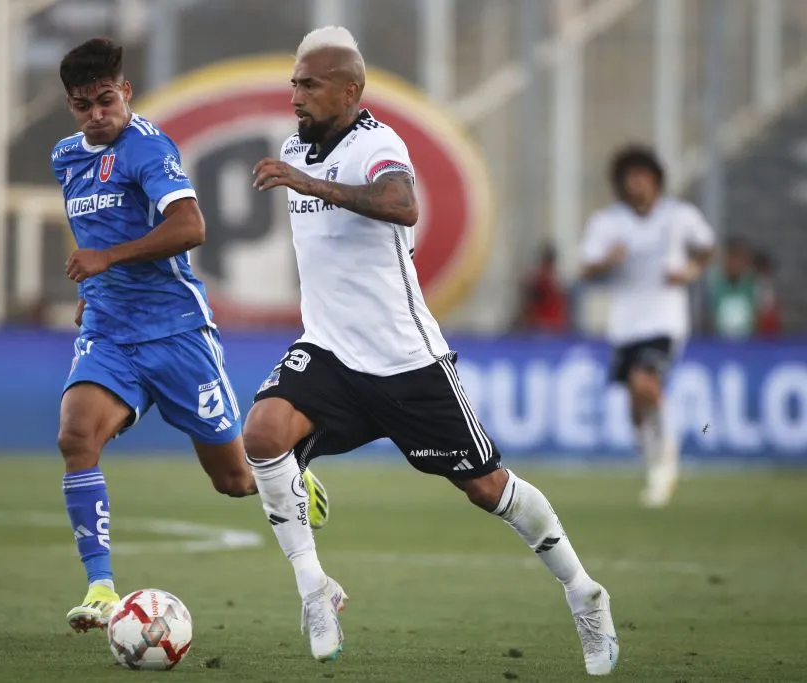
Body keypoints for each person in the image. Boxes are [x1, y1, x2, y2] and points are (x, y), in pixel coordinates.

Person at [243, 26, 618, 676]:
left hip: (405, 362)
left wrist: (313, 184)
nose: (295, 92)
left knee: (487, 487)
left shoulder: (376, 144)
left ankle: (583, 591)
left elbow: (402, 204)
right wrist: (304, 175)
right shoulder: (294, 145)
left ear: (350, 90)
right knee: (263, 434)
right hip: (329, 351)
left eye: (310, 82)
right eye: (295, 80)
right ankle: (315, 588)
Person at [50, 38, 330, 634]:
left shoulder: (148, 148)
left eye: (106, 100)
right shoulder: (65, 158)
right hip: (109, 333)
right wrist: (93, 288)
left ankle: (292, 465)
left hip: (176, 333)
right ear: (71, 107)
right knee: (76, 437)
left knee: (234, 480)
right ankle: (101, 588)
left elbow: (190, 226)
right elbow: (100, 228)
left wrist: (108, 259)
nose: (97, 114)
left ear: (124, 92)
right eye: (83, 105)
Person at [580, 145, 715, 508]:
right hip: (626, 322)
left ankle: (666, 466)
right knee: (634, 404)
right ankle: (651, 461)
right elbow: (586, 267)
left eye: (643, 177)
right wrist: (608, 260)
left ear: (655, 180)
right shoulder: (609, 222)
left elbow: (706, 247)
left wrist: (689, 271)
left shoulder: (679, 216)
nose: (636, 184)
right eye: (630, 179)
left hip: (665, 318)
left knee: (646, 383)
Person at [707, 236, 756, 339]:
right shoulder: (715, 285)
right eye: (732, 257)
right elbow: (708, 319)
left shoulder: (753, 286)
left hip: (749, 345)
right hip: (718, 343)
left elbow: (758, 319)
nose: (736, 263)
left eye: (740, 258)